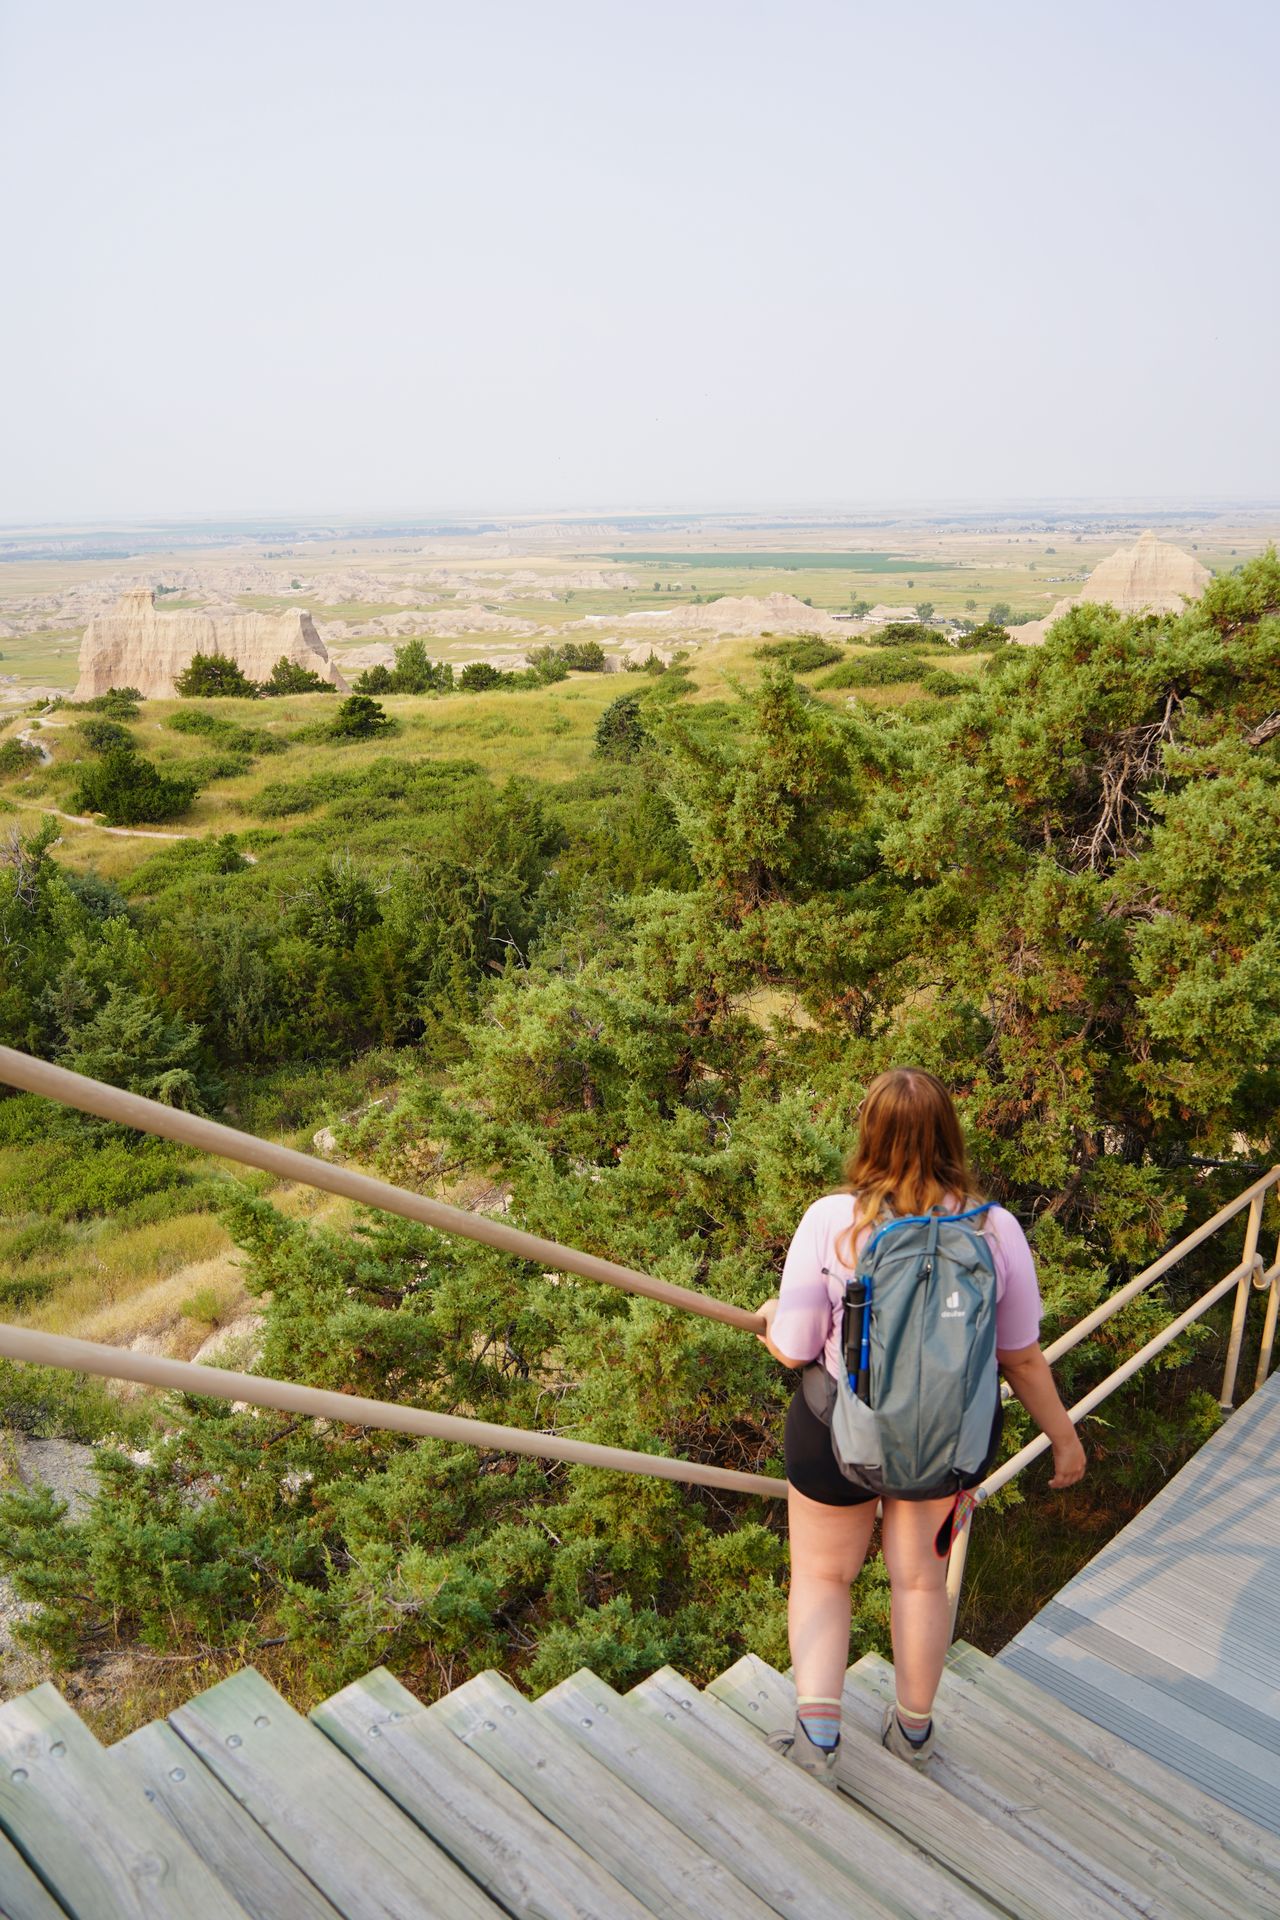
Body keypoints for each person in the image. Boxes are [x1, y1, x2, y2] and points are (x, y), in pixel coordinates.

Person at [756, 1067, 1086, 1784]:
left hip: (836, 1435)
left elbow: (793, 1346)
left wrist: (766, 1329)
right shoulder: (995, 1229)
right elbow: (1021, 1357)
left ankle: (818, 1740)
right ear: (950, 1134)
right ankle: (912, 1734)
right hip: (947, 1442)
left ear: (868, 1131)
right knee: (919, 1584)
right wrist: (1063, 1436)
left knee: (821, 1573)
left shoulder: (829, 1222)